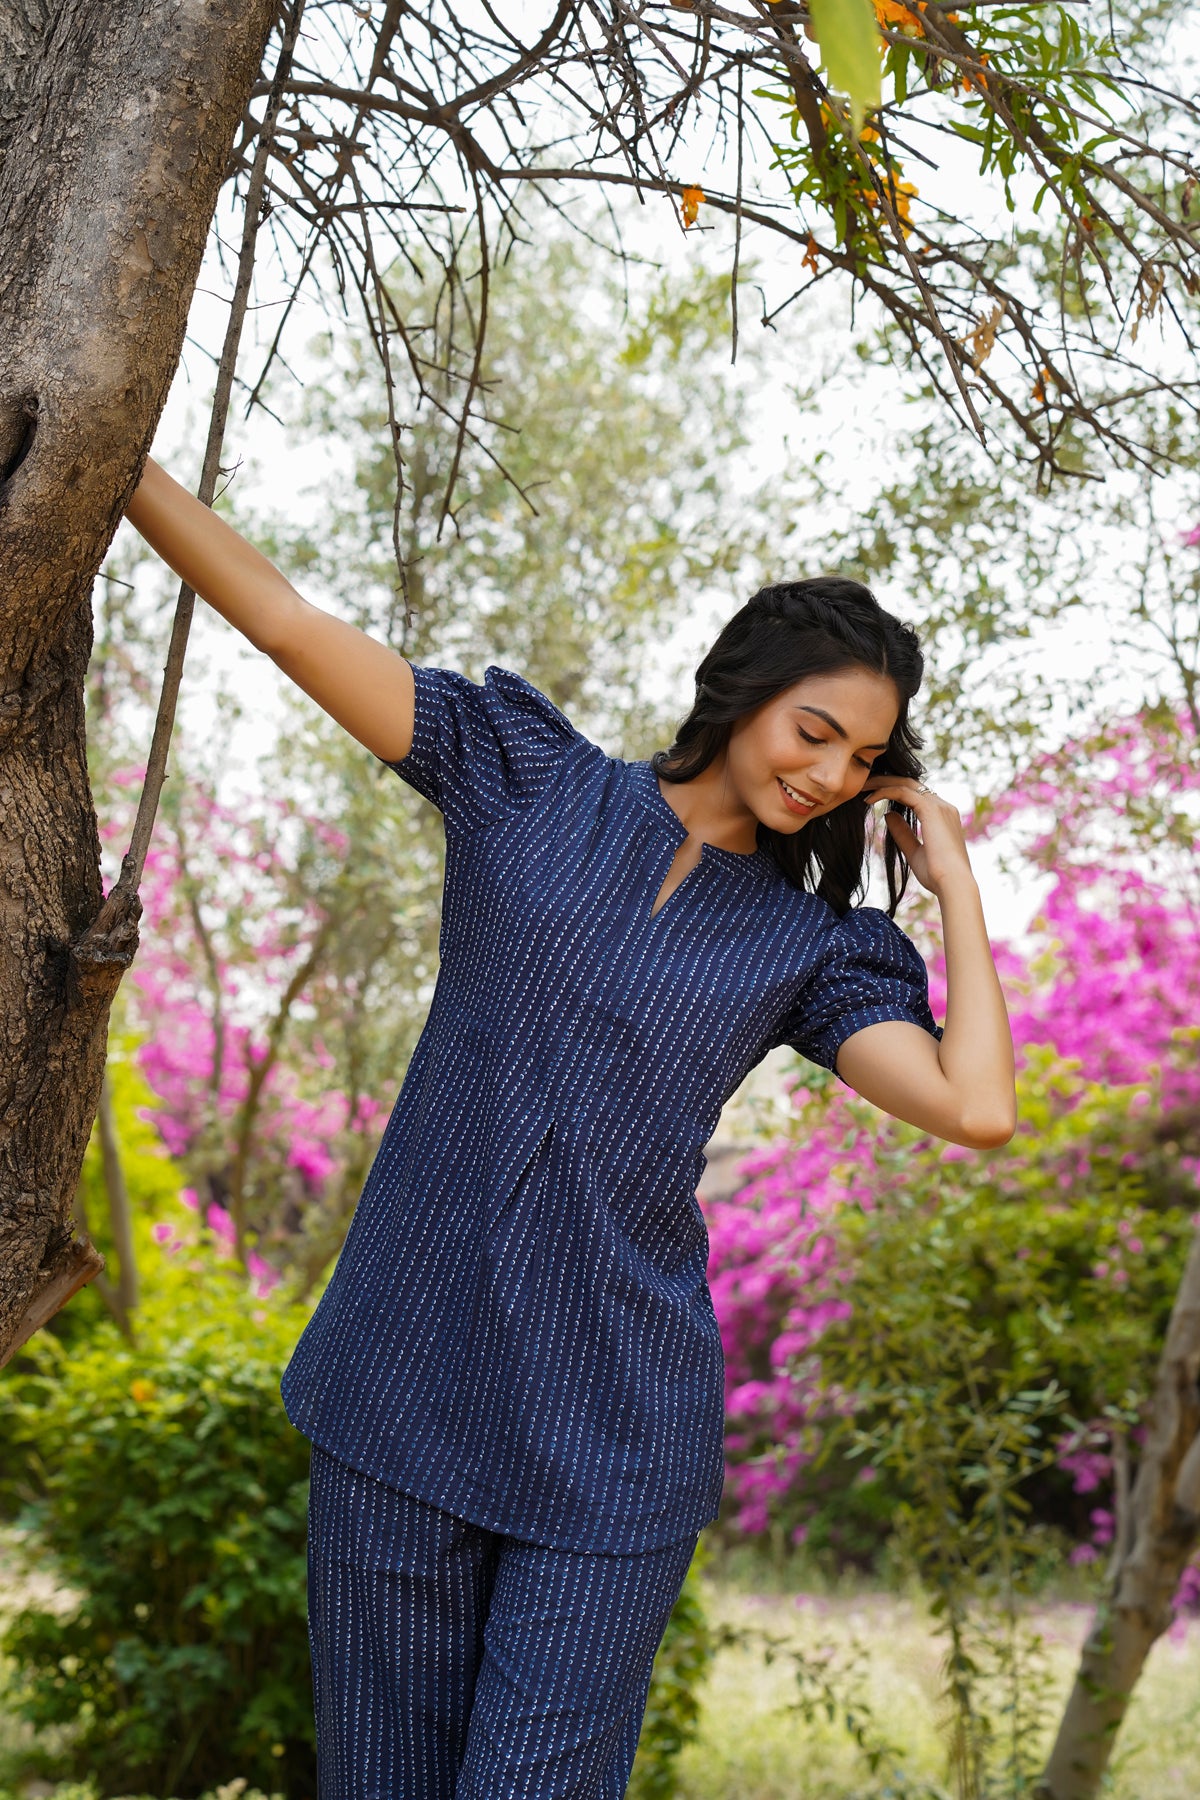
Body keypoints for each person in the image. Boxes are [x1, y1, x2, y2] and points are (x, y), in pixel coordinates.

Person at [125, 456, 1016, 1800]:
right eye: (814, 730)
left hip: (616, 1431)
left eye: (865, 758)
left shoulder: (812, 946)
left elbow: (977, 1107)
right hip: (405, 1382)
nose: (831, 773)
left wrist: (951, 880)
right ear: (745, 692)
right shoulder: (522, 780)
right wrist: (118, 458)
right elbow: (290, 623)